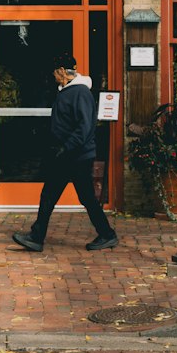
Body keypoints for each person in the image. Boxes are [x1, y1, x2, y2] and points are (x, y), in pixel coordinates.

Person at [12, 52, 118, 253]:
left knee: (77, 196)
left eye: (54, 72)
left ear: (62, 71)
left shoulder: (80, 93)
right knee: (54, 195)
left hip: (75, 156)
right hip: (65, 155)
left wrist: (65, 147)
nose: (53, 76)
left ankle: (106, 234)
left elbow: (85, 127)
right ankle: (37, 236)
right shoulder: (66, 91)